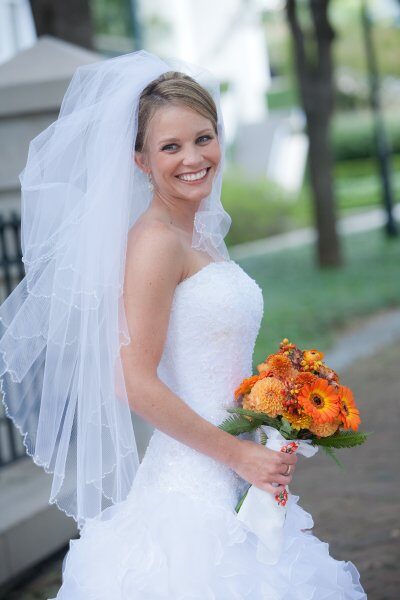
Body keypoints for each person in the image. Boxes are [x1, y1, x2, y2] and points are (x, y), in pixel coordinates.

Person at [0, 50, 366, 599]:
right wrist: (238, 453)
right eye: (170, 146)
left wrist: (274, 409)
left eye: (203, 137)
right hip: (191, 487)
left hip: (231, 477)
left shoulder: (198, 233)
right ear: (141, 161)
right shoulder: (155, 242)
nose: (193, 157)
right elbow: (130, 379)